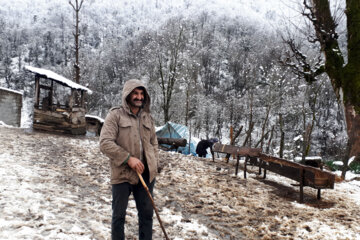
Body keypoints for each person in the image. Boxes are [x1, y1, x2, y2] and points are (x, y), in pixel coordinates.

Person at [100, 79, 159, 240]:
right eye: (135, 93)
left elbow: (154, 142)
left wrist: (154, 162)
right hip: (122, 174)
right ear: (127, 95)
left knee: (147, 216)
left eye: (141, 94)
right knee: (118, 217)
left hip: (145, 174)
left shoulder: (148, 118)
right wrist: (128, 159)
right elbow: (105, 143)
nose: (139, 97)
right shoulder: (115, 115)